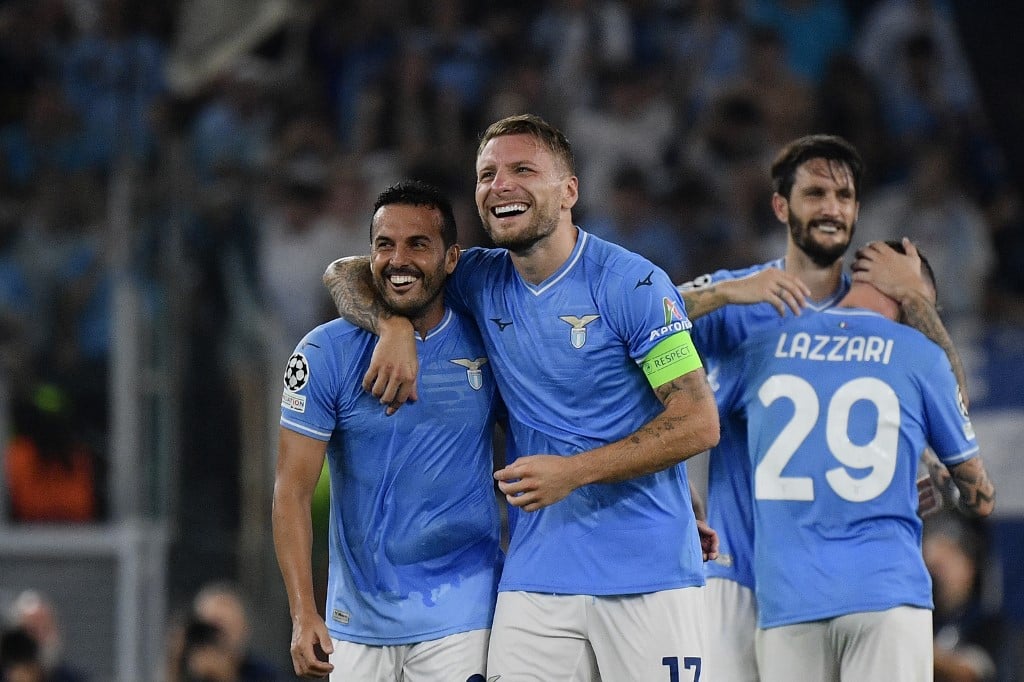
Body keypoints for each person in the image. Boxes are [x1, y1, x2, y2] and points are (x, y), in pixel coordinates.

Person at [323, 114, 720, 681]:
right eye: (487, 174)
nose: (499, 185)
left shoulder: (631, 284)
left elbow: (698, 422)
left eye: (522, 170)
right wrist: (391, 324)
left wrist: (574, 473)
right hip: (535, 581)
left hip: (647, 572)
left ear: (568, 191)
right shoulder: (477, 277)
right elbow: (347, 271)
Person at [677, 133, 970, 682]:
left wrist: (917, 303)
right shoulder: (742, 296)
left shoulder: (881, 308)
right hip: (742, 576)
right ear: (781, 206)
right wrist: (725, 293)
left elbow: (951, 401)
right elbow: (637, 319)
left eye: (844, 196)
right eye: (815, 193)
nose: (832, 208)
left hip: (843, 587)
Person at [712, 240, 995, 681]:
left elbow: (687, 418)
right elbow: (977, 489)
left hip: (786, 597)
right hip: (885, 592)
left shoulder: (768, 340)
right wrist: (920, 304)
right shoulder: (917, 354)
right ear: (909, 296)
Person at [272, 180, 503, 681]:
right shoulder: (323, 354)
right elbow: (291, 490)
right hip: (356, 622)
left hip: (463, 613)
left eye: (418, 244)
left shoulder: (490, 342)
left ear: (450, 258)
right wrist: (302, 613)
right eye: (385, 245)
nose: (399, 260)